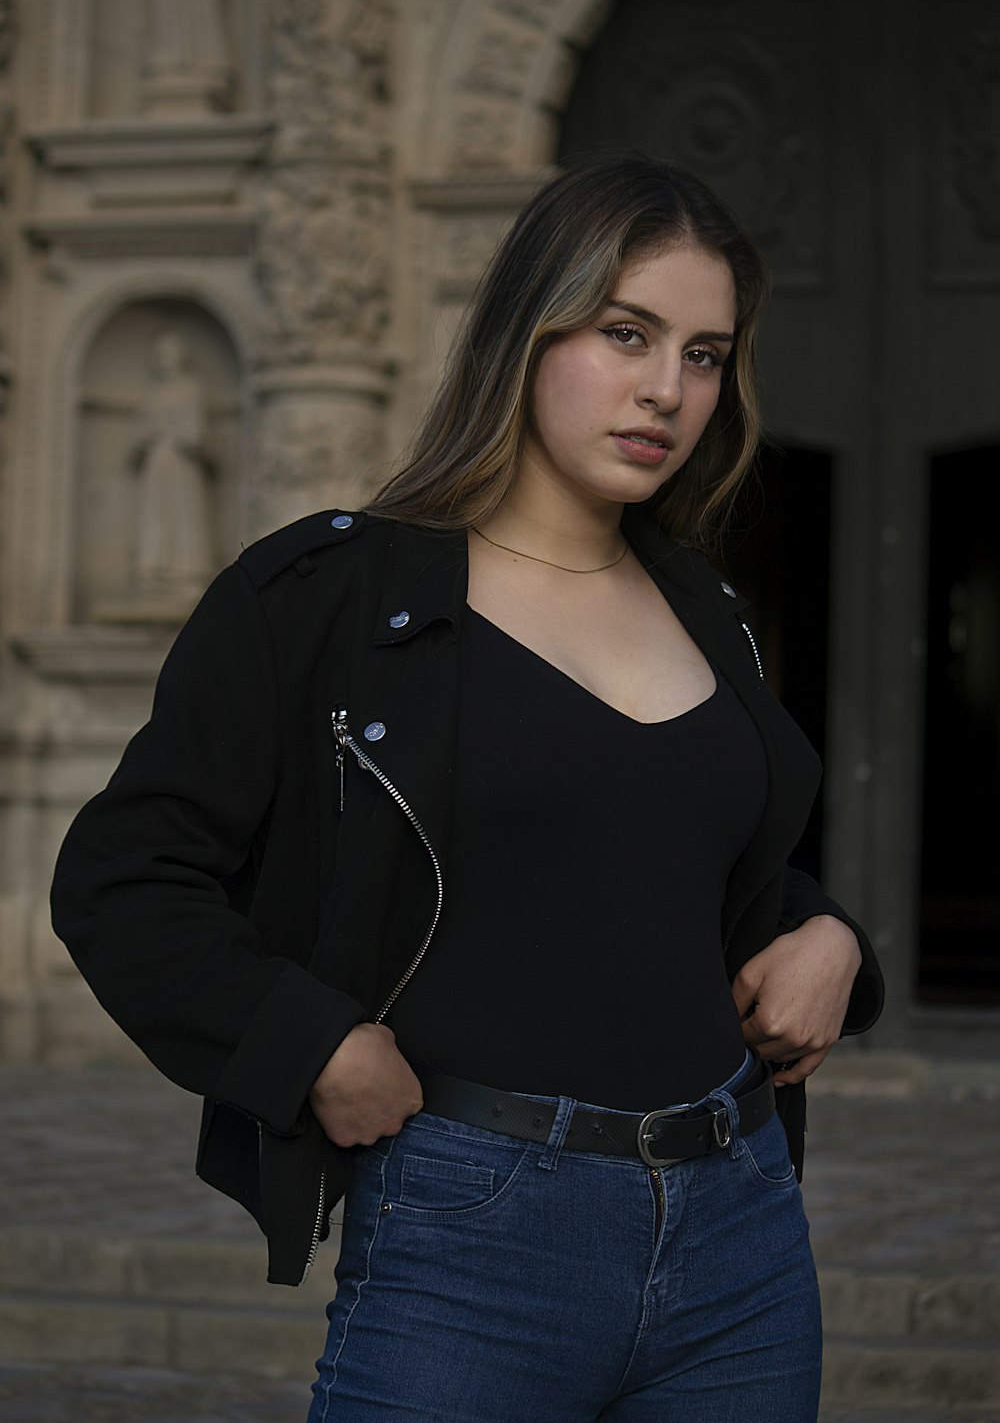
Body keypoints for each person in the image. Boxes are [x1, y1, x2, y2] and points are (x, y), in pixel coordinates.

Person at [52, 154, 884, 1422]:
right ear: (524, 328)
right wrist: (307, 1044)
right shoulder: (326, 598)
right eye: (626, 333)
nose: (667, 388)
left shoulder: (703, 607)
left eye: (705, 355)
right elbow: (123, 880)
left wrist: (829, 937)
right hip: (473, 1241)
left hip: (741, 1239)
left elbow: (685, 871)